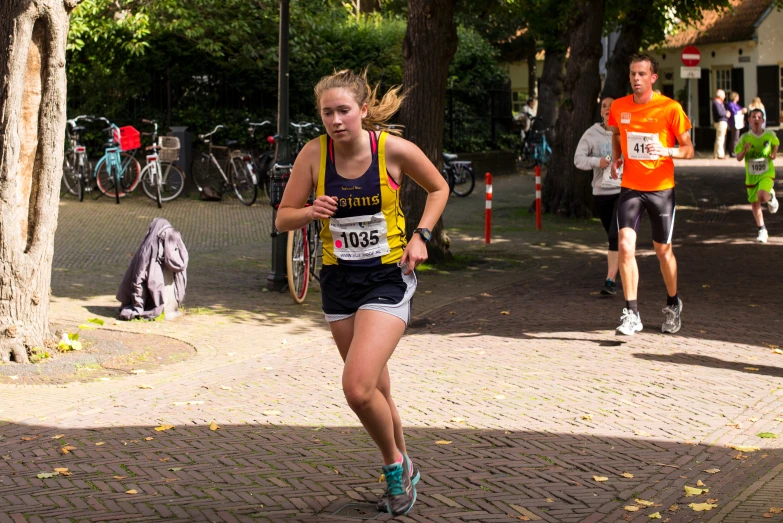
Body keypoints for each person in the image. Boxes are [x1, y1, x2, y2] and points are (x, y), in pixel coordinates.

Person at [275, 69, 449, 517]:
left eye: (343, 111)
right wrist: (310, 210)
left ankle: (394, 466)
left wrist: (422, 235)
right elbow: (283, 219)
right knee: (377, 387)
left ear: (363, 111)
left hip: (386, 280)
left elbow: (438, 187)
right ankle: (407, 465)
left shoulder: (392, 150)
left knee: (356, 387)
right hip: (338, 285)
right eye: (327, 113)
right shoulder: (314, 156)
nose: (335, 120)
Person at [608, 53, 694, 336]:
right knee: (624, 246)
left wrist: (666, 150)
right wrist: (616, 159)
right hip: (631, 187)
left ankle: (673, 304)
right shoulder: (620, 106)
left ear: (653, 77)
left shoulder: (670, 108)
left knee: (662, 251)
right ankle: (632, 313)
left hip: (661, 190)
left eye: (642, 74)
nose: (636, 78)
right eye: (632, 73)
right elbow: (618, 135)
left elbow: (688, 149)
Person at [574, 96, 622, 295]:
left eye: (612, 106)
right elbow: (578, 159)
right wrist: (597, 161)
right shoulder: (591, 133)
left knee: (615, 234)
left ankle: (610, 279)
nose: (607, 109)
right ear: (600, 110)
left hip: (623, 191)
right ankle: (623, 265)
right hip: (601, 193)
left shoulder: (624, 131)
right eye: (604, 106)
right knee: (613, 237)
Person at [735, 108, 779, 242]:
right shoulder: (745, 138)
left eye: (759, 117)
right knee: (755, 204)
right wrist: (745, 150)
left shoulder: (769, 135)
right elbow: (738, 157)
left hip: (766, 173)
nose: (756, 119)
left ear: (763, 120)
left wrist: (774, 153)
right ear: (749, 120)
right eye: (754, 117)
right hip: (752, 175)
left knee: (762, 196)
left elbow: (776, 143)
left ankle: (771, 197)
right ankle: (762, 229)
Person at [727, 91, 746, 157]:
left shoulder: (736, 105)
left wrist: (743, 110)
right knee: (735, 138)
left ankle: (733, 151)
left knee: (735, 137)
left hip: (738, 123)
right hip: (734, 123)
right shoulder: (731, 104)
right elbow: (734, 112)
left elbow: (740, 110)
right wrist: (741, 111)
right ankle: (733, 152)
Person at [712, 89, 729, 159]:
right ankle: (720, 154)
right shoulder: (716, 103)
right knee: (720, 139)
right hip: (720, 122)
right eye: (723, 95)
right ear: (720, 96)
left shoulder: (720, 103)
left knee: (719, 138)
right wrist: (726, 113)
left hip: (722, 122)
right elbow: (720, 113)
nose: (724, 96)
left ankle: (716, 154)